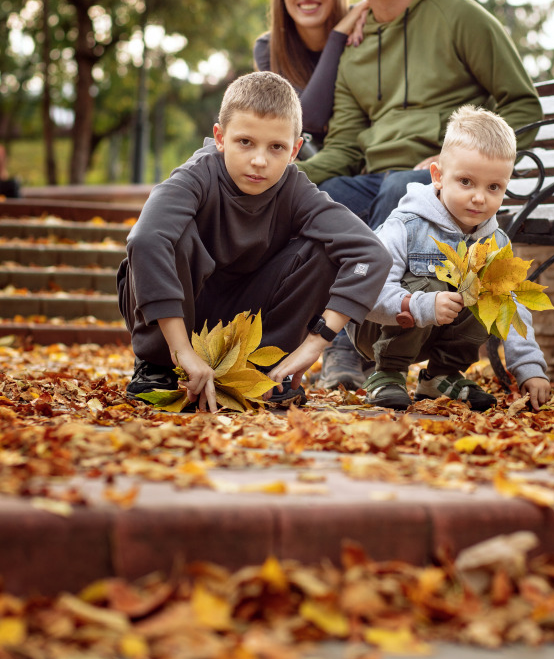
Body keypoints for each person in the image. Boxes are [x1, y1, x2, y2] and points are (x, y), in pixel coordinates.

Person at [297, 0, 543, 389]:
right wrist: (290, 176)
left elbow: (523, 104)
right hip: (374, 175)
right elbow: (345, 144)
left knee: (398, 190)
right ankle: (341, 346)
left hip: (436, 181)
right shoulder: (357, 47)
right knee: (327, 200)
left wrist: (455, 162)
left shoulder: (459, 17)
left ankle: (352, 356)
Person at [117, 71, 392, 412]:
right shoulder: (196, 177)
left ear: (294, 150)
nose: (259, 161)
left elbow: (370, 254)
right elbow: (145, 240)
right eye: (245, 142)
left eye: (276, 147)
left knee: (324, 250)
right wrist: (180, 350)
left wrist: (316, 343)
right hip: (180, 320)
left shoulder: (295, 190)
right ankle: (157, 366)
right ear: (220, 137)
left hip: (247, 322)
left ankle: (262, 369)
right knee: (166, 237)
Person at [347, 105, 552, 413]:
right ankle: (387, 373)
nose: (479, 197)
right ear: (438, 176)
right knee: (434, 278)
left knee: (491, 293)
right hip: (376, 326)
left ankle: (441, 375)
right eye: (466, 182)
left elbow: (512, 308)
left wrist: (530, 368)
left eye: (494, 187)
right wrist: (421, 305)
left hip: (436, 330)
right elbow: (367, 289)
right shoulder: (406, 225)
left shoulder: (495, 243)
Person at [253, 0, 367, 153]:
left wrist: (365, 11)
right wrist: (338, 36)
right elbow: (308, 120)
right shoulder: (268, 49)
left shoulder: (363, 25)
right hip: (312, 165)